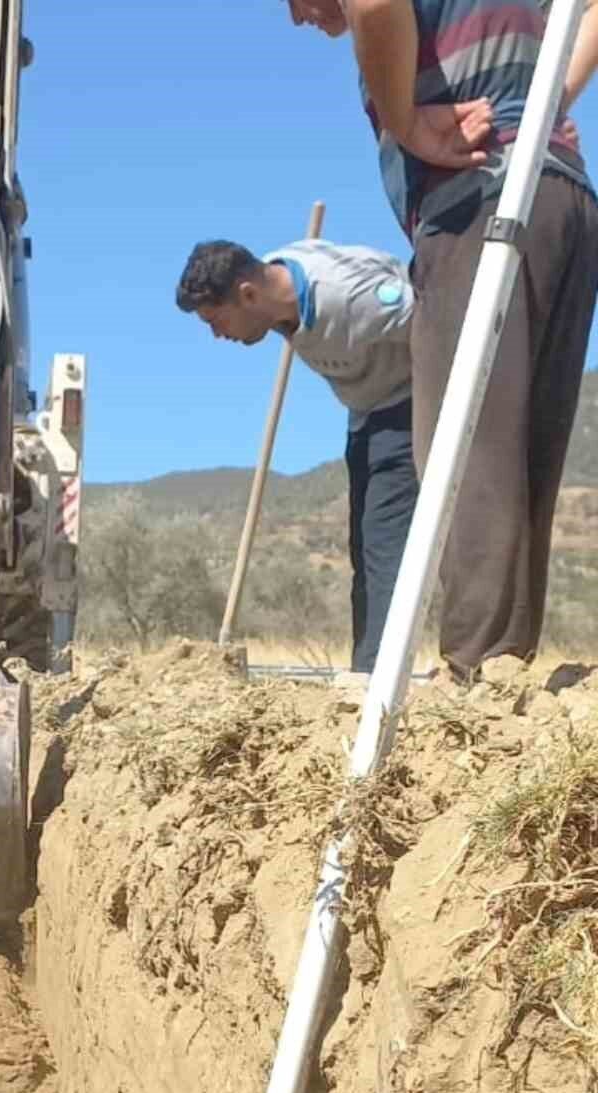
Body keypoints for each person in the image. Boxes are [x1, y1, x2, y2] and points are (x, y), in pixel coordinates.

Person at [285, 0, 598, 680]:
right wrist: (546, 100)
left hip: (477, 206)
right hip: (565, 199)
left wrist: (407, 125)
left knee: (463, 456)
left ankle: (475, 677)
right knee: (525, 461)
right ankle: (506, 680)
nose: (297, 17)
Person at [177, 236, 418, 672]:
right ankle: (367, 670)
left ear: (248, 294)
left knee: (384, 548)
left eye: (216, 321)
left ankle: (382, 678)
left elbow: (440, 317)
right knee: (364, 550)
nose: (216, 335)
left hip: (406, 405)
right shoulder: (276, 293)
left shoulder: (353, 298)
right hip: (365, 412)